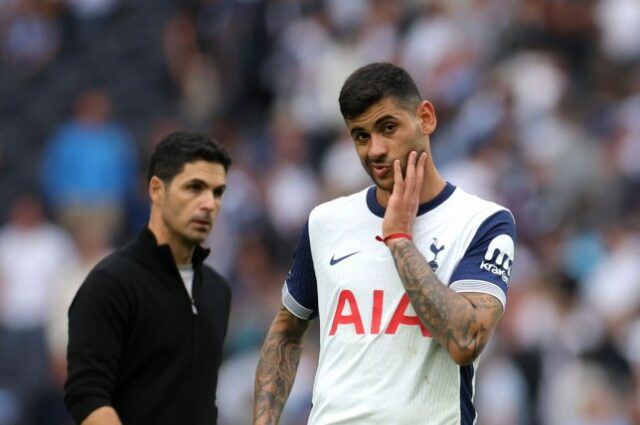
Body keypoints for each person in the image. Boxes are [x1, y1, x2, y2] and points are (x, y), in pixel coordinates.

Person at [253, 62, 516, 424]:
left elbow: (465, 342)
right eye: (361, 136)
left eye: (387, 128)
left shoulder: (482, 222)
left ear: (425, 118)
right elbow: (285, 333)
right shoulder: (325, 222)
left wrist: (399, 239)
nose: (375, 149)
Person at [64, 131, 232, 425]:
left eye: (217, 192)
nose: (209, 204)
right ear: (156, 190)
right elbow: (87, 397)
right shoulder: (110, 284)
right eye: (194, 187)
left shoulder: (217, 291)